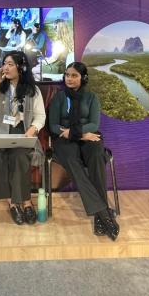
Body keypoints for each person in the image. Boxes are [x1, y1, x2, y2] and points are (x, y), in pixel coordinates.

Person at [48, 62, 119, 240]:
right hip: (64, 140)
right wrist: (77, 134)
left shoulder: (92, 97)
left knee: (96, 155)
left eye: (74, 75)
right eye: (67, 75)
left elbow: (94, 124)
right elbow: (53, 125)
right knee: (73, 162)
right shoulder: (59, 97)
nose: (69, 79)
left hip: (89, 136)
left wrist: (76, 132)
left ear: (83, 77)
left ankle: (98, 214)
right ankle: (103, 213)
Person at [0, 51, 46, 225]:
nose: (6, 67)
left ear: (21, 67)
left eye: (10, 64)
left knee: (19, 156)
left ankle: (26, 202)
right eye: (4, 63)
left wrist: (32, 130)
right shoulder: (0, 87)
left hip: (23, 132)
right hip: (0, 132)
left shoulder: (33, 90)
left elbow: (40, 116)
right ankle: (12, 203)